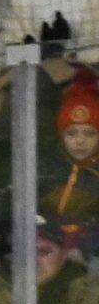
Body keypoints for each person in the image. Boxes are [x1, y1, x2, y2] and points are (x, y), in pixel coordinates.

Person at [47, 73, 99, 226]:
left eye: (89, 133)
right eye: (71, 133)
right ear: (61, 135)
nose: (80, 141)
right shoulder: (47, 166)